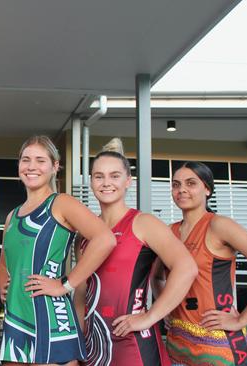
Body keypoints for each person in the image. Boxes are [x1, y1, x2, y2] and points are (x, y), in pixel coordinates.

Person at [72, 138, 197, 366]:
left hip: (134, 345)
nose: (106, 182)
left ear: (128, 181)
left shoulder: (143, 223)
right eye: (99, 176)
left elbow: (186, 268)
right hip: (94, 347)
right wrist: (77, 343)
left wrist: (149, 317)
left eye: (115, 176)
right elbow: (80, 292)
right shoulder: (84, 234)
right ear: (90, 181)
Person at [0, 135, 115, 365]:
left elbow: (105, 239)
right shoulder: (12, 215)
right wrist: (4, 286)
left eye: (40, 160)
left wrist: (65, 284)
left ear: (55, 166)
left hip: (52, 318)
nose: (31, 166)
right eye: (26, 159)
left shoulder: (61, 203)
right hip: (17, 319)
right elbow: (4, 262)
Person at [163, 161, 247, 365]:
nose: (182, 189)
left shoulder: (219, 225)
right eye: (176, 184)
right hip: (177, 342)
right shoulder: (170, 232)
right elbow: (158, 276)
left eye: (190, 183)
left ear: (207, 189)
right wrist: (165, 308)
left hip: (218, 342)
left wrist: (242, 319)